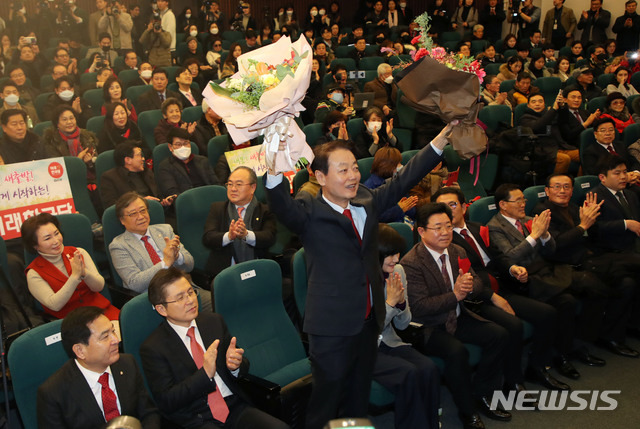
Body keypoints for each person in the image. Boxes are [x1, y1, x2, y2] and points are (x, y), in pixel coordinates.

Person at [264, 120, 456, 429]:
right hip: (332, 328)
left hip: (369, 322)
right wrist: (273, 170)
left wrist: (438, 143)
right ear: (321, 177)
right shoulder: (309, 210)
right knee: (326, 404)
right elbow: (281, 205)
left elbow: (402, 180)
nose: (353, 176)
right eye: (343, 170)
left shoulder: (366, 199)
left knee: (357, 400)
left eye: (354, 168)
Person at [434, 187, 568, 391]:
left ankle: (537, 367)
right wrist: (493, 297)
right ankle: (512, 381)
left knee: (547, 313)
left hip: (503, 286)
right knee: (513, 325)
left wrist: (512, 268)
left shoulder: (477, 228)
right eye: (442, 207)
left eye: (452, 205)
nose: (447, 211)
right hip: (478, 297)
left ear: (463, 207)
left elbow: (498, 257)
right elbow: (464, 276)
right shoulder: (445, 241)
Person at [401, 202, 511, 428]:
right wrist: (456, 294)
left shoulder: (457, 251)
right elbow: (419, 307)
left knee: (499, 335)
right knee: (456, 352)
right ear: (421, 231)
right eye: (438, 228)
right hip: (430, 326)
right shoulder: (411, 263)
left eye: (448, 226)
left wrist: (471, 286)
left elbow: (477, 284)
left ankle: (482, 393)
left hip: (459, 316)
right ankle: (466, 411)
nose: (445, 233)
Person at [139, 267, 288, 428]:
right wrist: (204, 375)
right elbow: (166, 401)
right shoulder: (153, 348)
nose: (190, 300)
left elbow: (241, 365)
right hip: (197, 418)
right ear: (162, 309)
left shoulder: (213, 322)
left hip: (234, 407)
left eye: (190, 292)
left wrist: (235, 366)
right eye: (180, 298)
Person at [488, 183, 607, 381]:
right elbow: (510, 258)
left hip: (544, 274)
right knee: (566, 298)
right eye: (518, 200)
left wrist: (544, 235)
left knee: (571, 298)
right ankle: (552, 359)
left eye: (523, 200)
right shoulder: (495, 227)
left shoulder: (528, 219)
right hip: (521, 280)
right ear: (503, 205)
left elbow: (551, 250)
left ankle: (564, 352)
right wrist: (535, 235)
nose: (523, 204)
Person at [535, 173, 639, 358]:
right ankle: (586, 341)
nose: (562, 191)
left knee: (628, 283)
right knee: (606, 285)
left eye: (566, 187)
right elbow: (556, 245)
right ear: (547, 191)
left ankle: (611, 335)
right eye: (557, 186)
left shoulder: (575, 208)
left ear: (572, 190)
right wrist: (583, 226)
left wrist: (592, 224)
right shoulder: (543, 212)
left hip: (590, 259)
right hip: (565, 266)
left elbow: (593, 238)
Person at [37, 307, 161, 428]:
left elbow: (148, 413)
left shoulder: (127, 364)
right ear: (80, 351)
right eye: (105, 337)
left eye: (113, 331)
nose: (116, 340)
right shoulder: (53, 393)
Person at [372, 223, 440, 428]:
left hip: (389, 341)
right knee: (407, 373)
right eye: (390, 255)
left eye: (397, 253)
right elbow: (367, 328)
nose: (396, 259)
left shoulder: (398, 271)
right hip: (362, 347)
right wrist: (390, 304)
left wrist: (400, 305)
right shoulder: (358, 280)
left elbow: (403, 325)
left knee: (428, 368)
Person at [22, 213, 118, 320]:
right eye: (48, 238)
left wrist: (84, 273)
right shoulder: (34, 273)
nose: (56, 241)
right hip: (72, 322)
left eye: (56, 233)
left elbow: (99, 286)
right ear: (35, 245)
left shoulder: (78, 252)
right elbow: (55, 305)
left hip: (102, 311)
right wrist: (74, 277)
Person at [108, 192, 198, 295]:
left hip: (185, 290)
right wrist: (165, 263)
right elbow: (134, 283)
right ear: (122, 220)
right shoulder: (119, 246)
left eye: (143, 210)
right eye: (133, 214)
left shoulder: (165, 230)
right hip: (155, 298)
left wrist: (177, 256)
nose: (141, 217)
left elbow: (190, 265)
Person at [202, 166, 276, 279]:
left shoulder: (265, 211)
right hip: (226, 273)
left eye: (239, 184)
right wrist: (229, 236)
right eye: (230, 184)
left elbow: (269, 237)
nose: (233, 189)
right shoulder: (217, 209)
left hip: (258, 270)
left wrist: (246, 235)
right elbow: (208, 238)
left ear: (253, 187)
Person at [520, 92, 575, 174]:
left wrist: (562, 106)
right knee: (564, 159)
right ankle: (555, 183)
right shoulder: (525, 118)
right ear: (528, 105)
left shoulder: (549, 114)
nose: (537, 104)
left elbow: (563, 120)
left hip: (559, 147)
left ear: (544, 104)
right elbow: (538, 125)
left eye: (540, 101)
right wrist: (553, 110)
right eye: (534, 102)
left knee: (582, 154)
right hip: (543, 150)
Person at [156, 127, 219, 198]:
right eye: (178, 144)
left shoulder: (203, 161)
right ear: (170, 147)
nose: (183, 147)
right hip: (187, 202)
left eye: (186, 143)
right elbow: (172, 192)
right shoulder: (165, 166)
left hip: (209, 197)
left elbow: (216, 184)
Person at [363, 147, 418, 223]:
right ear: (388, 166)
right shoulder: (369, 187)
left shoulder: (397, 181)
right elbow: (375, 216)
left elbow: (412, 211)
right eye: (398, 164)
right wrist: (399, 209)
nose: (401, 166)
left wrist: (405, 206)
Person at [43, 106, 98, 178]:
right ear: (57, 123)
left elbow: (97, 164)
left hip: (90, 178)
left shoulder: (86, 136)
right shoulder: (51, 141)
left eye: (71, 118)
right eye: (64, 119)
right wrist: (77, 161)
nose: (69, 122)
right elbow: (57, 172)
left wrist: (90, 163)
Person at [557, 87, 601, 152]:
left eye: (579, 98)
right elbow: (568, 136)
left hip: (592, 142)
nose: (576, 100)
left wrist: (595, 120)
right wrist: (585, 124)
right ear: (565, 99)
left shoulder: (584, 112)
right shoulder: (562, 114)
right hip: (575, 146)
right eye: (573, 97)